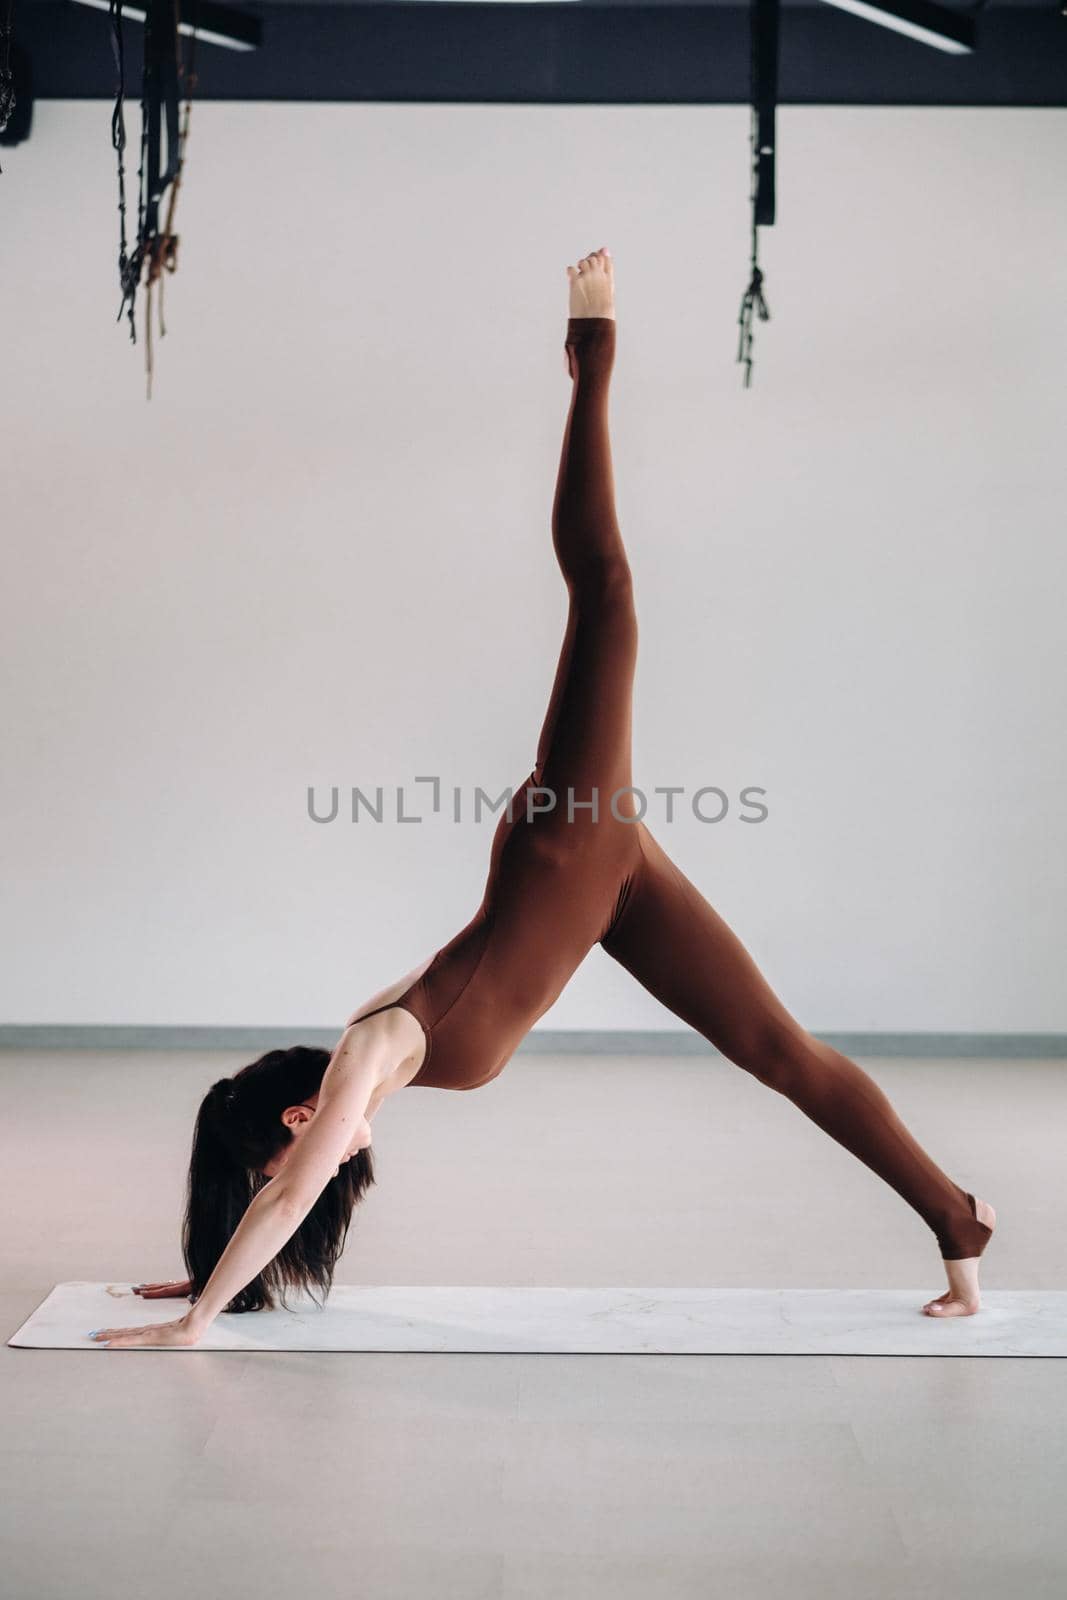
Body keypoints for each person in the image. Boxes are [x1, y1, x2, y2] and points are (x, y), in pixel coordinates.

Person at [88, 249, 994, 1349]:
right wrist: (204, 1284)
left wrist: (196, 1331)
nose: (314, 1173)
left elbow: (283, 1199)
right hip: (608, 884)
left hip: (568, 846)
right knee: (774, 1050)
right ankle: (954, 1219)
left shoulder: (369, 1057)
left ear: (300, 1117)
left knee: (604, 594)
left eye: (294, 1151)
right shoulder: (366, 1063)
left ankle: (591, 354)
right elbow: (279, 1199)